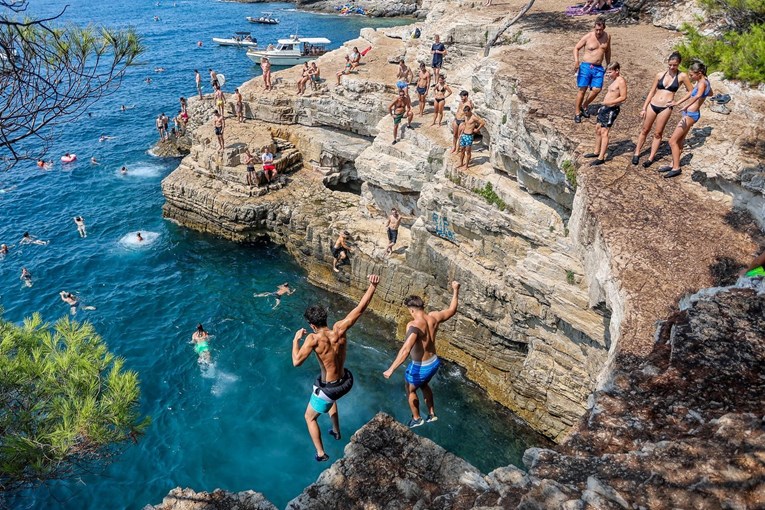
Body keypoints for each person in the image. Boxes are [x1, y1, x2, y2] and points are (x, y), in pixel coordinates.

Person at [292, 274, 381, 461]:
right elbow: (360, 309)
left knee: (309, 417)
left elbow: (296, 362)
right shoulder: (340, 328)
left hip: (331, 388)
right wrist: (372, 286)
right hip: (346, 380)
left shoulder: (313, 338)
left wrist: (295, 340)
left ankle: (321, 453)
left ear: (312, 325)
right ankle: (336, 430)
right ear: (326, 318)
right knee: (323, 386)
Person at [383, 281, 460, 427]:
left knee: (410, 388)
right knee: (424, 384)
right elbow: (452, 310)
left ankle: (417, 418)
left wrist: (391, 369)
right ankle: (432, 414)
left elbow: (406, 350)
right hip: (434, 362)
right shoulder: (434, 317)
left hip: (421, 366)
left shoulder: (413, 326)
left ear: (412, 310)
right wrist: (455, 290)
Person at [632, 52, 692, 167]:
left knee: (658, 133)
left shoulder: (682, 76)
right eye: (670, 64)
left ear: (678, 64)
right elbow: (652, 91)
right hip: (653, 104)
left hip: (666, 107)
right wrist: (644, 107)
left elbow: (691, 91)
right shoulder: (660, 75)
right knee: (645, 129)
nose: (672, 67)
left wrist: (678, 102)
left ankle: (650, 158)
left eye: (674, 65)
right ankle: (637, 153)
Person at [660, 60, 713, 179]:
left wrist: (687, 106)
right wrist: (677, 102)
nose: (690, 77)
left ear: (699, 73)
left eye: (692, 75)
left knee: (672, 141)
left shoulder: (702, 83)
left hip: (691, 114)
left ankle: (676, 168)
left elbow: (699, 95)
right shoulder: (703, 82)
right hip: (690, 113)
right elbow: (708, 93)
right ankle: (673, 163)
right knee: (679, 141)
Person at [584, 62, 627, 166]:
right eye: (607, 73)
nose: (608, 75)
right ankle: (596, 152)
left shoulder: (621, 81)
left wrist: (609, 103)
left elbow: (623, 97)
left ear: (617, 71)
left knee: (604, 132)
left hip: (611, 109)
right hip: (605, 107)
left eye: (610, 72)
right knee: (598, 129)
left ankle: (601, 157)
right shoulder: (614, 80)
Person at [573, 16, 611, 123]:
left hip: (598, 68)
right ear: (594, 28)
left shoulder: (607, 37)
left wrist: (608, 64)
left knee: (597, 89)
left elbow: (607, 51)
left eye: (600, 30)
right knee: (582, 89)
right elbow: (576, 48)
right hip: (586, 66)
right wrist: (576, 61)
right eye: (596, 29)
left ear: (604, 28)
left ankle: (584, 105)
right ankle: (577, 112)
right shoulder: (588, 36)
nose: (598, 32)